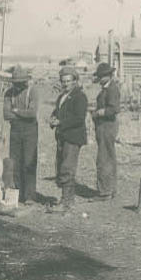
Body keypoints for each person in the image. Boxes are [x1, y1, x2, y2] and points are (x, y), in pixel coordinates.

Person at [49, 66, 88, 213]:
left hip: (73, 137)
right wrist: (53, 118)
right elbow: (58, 111)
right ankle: (67, 199)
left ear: (75, 81)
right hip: (62, 137)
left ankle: (67, 202)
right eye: (63, 81)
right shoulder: (62, 96)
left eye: (68, 81)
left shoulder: (79, 97)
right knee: (61, 167)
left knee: (67, 168)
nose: (65, 84)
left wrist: (60, 122)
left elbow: (78, 118)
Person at [3, 64, 39, 205]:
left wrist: (16, 111)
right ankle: (17, 193)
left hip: (30, 131)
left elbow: (32, 113)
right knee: (15, 163)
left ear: (25, 81)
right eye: (15, 83)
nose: (18, 86)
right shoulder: (8, 93)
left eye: (20, 83)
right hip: (15, 131)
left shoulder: (33, 91)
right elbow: (6, 115)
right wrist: (20, 113)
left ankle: (30, 195)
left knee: (29, 162)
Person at [91, 63, 120, 201]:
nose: (99, 79)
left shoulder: (112, 89)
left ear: (108, 76)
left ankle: (105, 192)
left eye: (101, 76)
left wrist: (98, 113)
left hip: (107, 126)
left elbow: (113, 109)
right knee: (108, 157)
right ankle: (110, 189)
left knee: (104, 159)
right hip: (104, 126)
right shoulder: (107, 88)